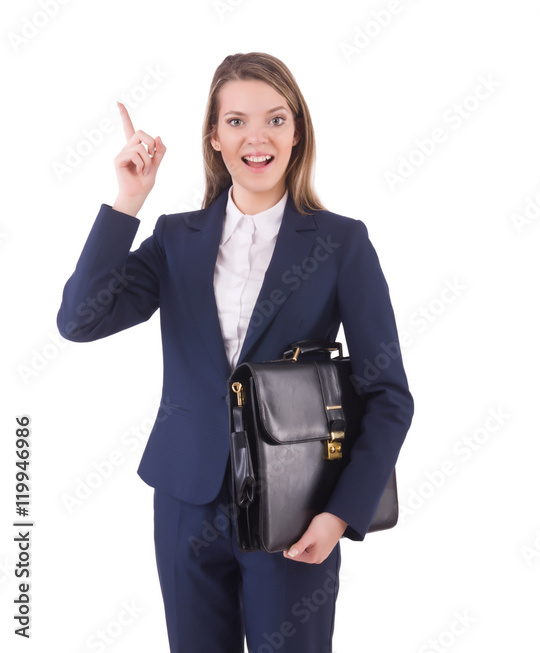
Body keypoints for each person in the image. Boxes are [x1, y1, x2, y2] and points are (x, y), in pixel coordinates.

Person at [57, 52, 413, 652]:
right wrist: (128, 201)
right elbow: (79, 321)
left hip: (297, 509)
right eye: (237, 122)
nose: (257, 138)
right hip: (185, 499)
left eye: (276, 120)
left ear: (296, 133)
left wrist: (340, 515)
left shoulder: (340, 242)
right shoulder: (176, 238)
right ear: (214, 138)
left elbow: (388, 395)